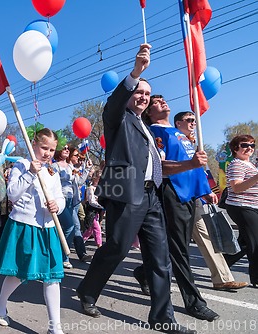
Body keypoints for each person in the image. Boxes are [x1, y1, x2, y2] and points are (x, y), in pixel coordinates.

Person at [76, 44, 195, 334]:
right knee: (116, 247)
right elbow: (114, 104)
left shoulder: (144, 126)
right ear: (130, 95)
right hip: (127, 194)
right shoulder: (118, 119)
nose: (142, 97)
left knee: (159, 257)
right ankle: (88, 292)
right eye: (138, 92)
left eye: (147, 94)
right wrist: (136, 72)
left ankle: (163, 317)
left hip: (152, 196)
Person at [138, 101, 220, 322]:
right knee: (179, 250)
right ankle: (194, 302)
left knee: (179, 246)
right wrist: (191, 164)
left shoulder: (178, 132)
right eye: (156, 102)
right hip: (172, 192)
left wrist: (204, 190)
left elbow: (195, 164)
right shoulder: (153, 132)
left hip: (190, 194)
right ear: (150, 112)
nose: (163, 102)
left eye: (162, 99)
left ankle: (143, 272)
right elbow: (160, 167)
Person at [0, 128, 65, 334]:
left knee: (52, 277)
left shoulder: (53, 172)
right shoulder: (22, 165)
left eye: (52, 149)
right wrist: (31, 173)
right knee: (19, 274)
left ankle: (55, 327)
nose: (48, 153)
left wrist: (57, 206)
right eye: (44, 148)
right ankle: (1, 302)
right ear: (34, 144)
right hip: (25, 227)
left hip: (48, 229)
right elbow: (12, 193)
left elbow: (60, 197)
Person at [173, 111, 247, 291]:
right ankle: (145, 272)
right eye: (189, 120)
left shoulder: (194, 144)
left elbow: (199, 172)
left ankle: (222, 278)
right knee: (174, 242)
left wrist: (206, 191)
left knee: (206, 237)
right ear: (177, 123)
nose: (193, 123)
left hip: (195, 199)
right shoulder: (173, 141)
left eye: (194, 120)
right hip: (176, 199)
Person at [223, 134, 258, 288]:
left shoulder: (250, 165)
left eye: (252, 145)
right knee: (255, 242)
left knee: (244, 243)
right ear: (235, 148)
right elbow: (236, 187)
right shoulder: (236, 164)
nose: (249, 148)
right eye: (244, 145)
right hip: (241, 206)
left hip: (252, 206)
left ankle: (220, 267)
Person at [51, 145, 92, 268]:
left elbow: (79, 181)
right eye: (64, 148)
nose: (67, 150)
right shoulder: (54, 166)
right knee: (69, 227)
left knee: (73, 227)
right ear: (58, 150)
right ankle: (63, 256)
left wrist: (87, 169)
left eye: (68, 149)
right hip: (60, 200)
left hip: (71, 201)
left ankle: (63, 257)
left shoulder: (70, 166)